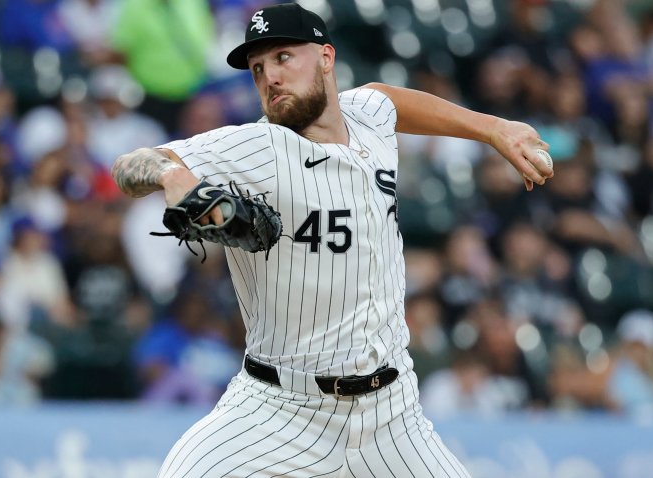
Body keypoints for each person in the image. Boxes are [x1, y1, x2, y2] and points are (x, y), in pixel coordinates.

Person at [111, 3, 553, 476]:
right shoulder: (257, 147)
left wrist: (494, 129)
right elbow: (129, 166)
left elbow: (388, 98)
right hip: (279, 410)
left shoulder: (367, 117)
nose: (269, 77)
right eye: (258, 69)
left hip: (391, 414)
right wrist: (169, 171)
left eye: (283, 57)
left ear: (326, 57)